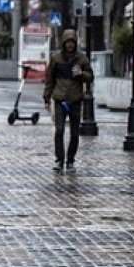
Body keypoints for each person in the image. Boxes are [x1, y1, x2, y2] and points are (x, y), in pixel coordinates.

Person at [43, 29, 93, 175]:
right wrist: (46, 97)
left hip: (75, 100)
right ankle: (59, 159)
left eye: (72, 42)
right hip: (59, 99)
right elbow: (49, 79)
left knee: (74, 133)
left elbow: (90, 76)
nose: (70, 45)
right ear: (64, 43)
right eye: (67, 42)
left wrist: (81, 74)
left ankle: (70, 160)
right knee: (59, 131)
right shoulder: (56, 58)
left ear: (75, 43)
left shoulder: (81, 58)